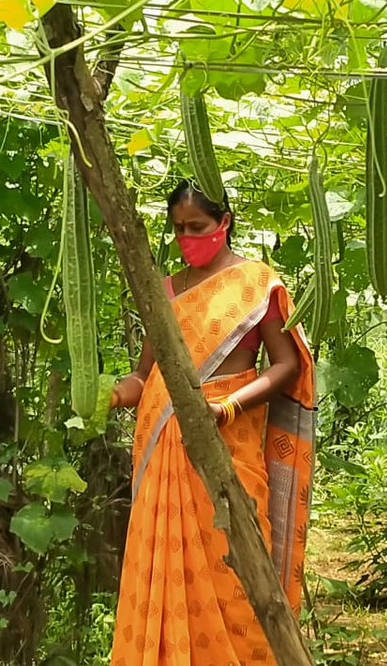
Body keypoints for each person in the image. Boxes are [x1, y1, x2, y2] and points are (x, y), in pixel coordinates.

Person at [108, 181, 316, 665]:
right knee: (163, 571)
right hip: (163, 449)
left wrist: (229, 407)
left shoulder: (256, 283)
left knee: (236, 568)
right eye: (179, 229)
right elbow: (145, 374)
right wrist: (117, 394)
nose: (187, 238)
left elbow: (286, 365)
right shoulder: (163, 291)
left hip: (228, 442)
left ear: (223, 224)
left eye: (197, 227)